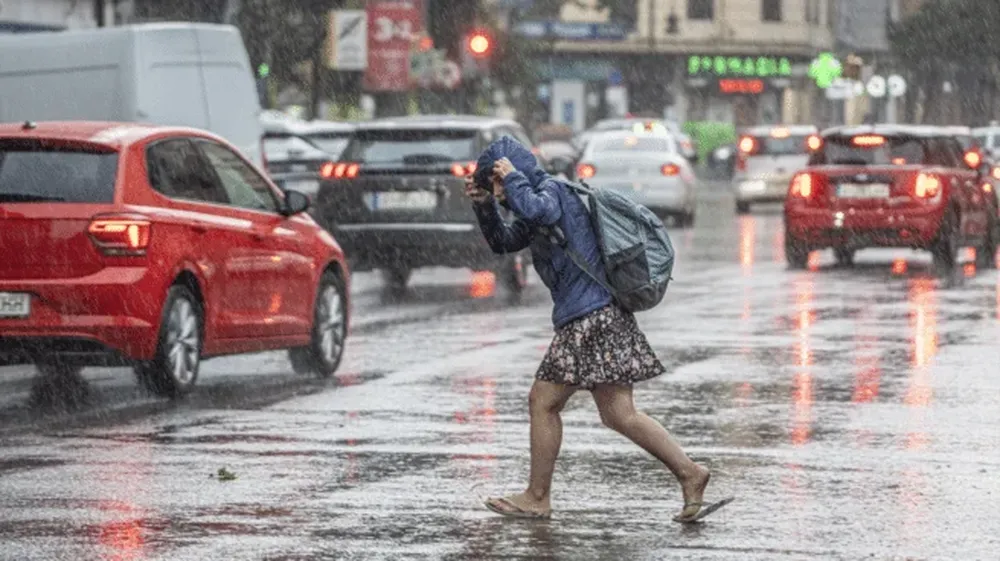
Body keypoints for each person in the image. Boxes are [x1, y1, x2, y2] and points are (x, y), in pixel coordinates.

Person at [465, 136, 712, 523]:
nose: (499, 191)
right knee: (619, 414)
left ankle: (537, 496)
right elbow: (503, 242)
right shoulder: (530, 202)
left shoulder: (552, 190)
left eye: (498, 181)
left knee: (542, 402)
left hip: (590, 318)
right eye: (494, 184)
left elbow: (540, 210)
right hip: (596, 316)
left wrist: (511, 180)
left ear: (515, 169)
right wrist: (484, 206)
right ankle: (690, 473)